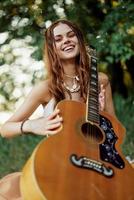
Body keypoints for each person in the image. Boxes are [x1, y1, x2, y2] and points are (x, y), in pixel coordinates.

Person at [0, 19, 116, 200]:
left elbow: (113, 132)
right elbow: (5, 129)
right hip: (60, 165)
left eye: (71, 35)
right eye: (59, 39)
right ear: (52, 48)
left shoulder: (100, 81)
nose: (66, 41)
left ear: (80, 40)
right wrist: (33, 125)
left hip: (97, 163)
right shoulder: (45, 89)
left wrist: (102, 115)